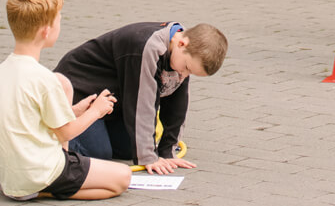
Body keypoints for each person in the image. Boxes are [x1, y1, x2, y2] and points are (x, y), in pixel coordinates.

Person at [0, 0, 130, 201]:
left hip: (9, 175)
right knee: (122, 178)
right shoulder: (44, 78)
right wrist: (96, 112)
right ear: (46, 31)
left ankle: (35, 187)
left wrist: (75, 111)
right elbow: (65, 133)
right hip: (39, 170)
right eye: (59, 21)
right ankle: (47, 190)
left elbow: (32, 119)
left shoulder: (2, 71)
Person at [54, 22, 228, 173]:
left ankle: (99, 131)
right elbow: (142, 104)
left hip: (110, 104)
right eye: (187, 68)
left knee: (130, 149)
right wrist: (148, 158)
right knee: (100, 152)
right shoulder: (149, 47)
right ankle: (51, 135)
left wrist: (167, 151)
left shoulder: (182, 53)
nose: (184, 75)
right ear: (182, 43)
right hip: (80, 96)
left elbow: (177, 105)